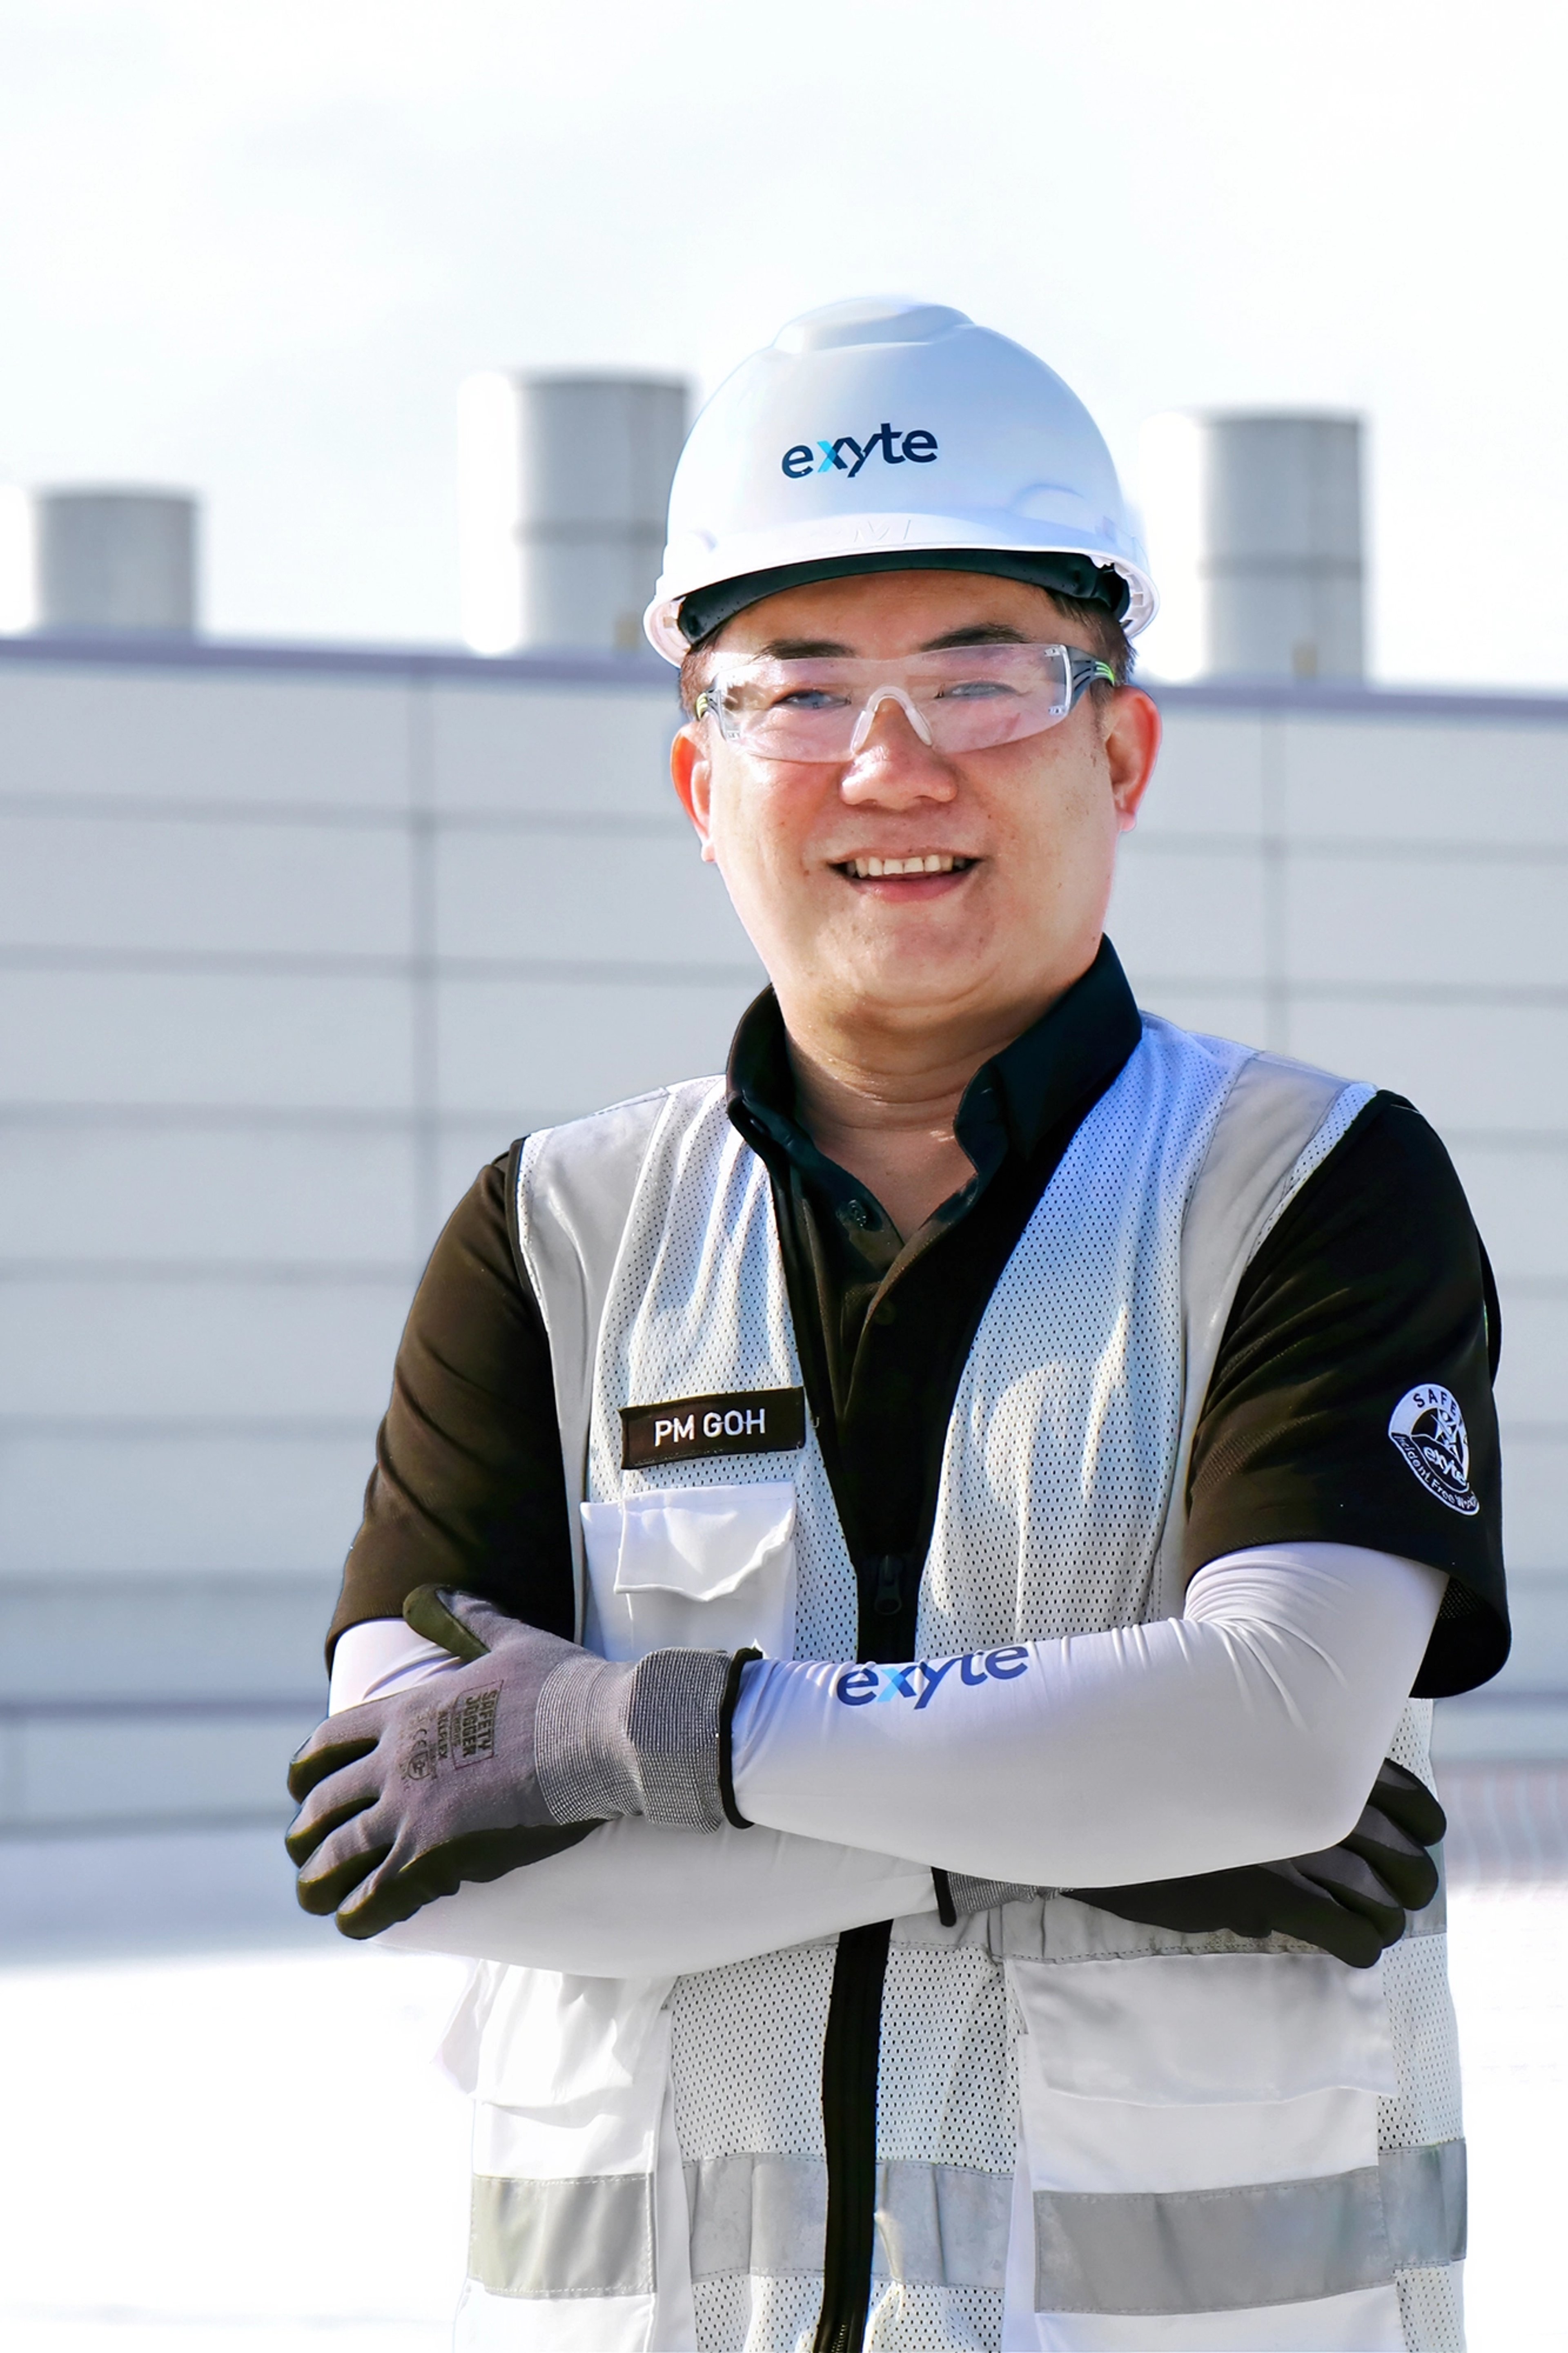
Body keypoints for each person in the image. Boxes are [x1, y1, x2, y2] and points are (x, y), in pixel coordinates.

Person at [286, 300, 1507, 2353]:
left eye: (984, 678)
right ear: (700, 774)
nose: (891, 762)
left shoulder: (1305, 1185)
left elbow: (1276, 1733)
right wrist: (1067, 1832)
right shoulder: (553, 1237)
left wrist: (651, 1733)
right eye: (801, 689)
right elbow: (433, 1842)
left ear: (1117, 744)